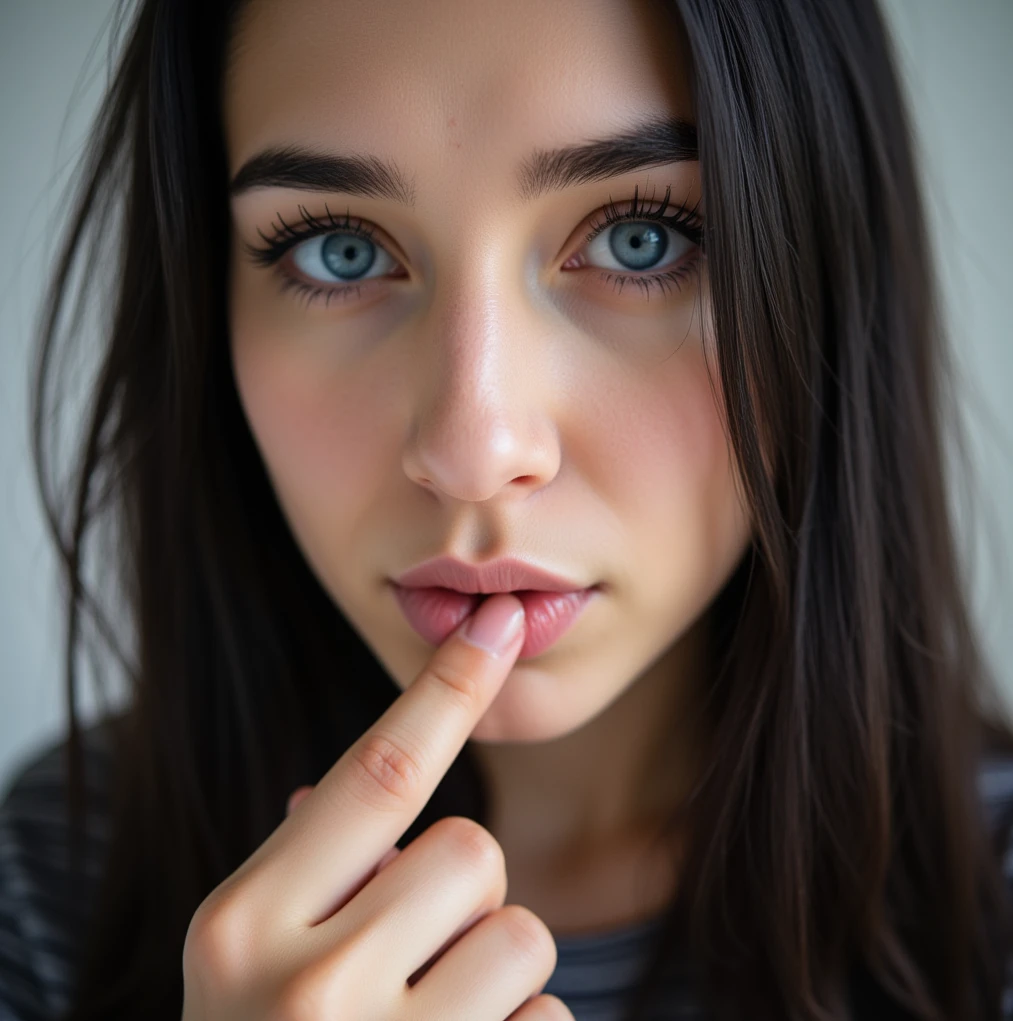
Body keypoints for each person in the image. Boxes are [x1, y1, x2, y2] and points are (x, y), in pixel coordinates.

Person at [2, 0, 1012, 1017]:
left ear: (829, 274)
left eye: (638, 238)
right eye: (337, 249)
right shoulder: (57, 879)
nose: (472, 452)